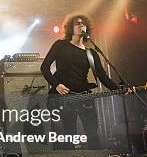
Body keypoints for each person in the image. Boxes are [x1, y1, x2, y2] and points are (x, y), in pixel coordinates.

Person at [40, 14, 120, 149]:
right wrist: (57, 85)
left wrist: (120, 89)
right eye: (77, 23)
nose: (81, 25)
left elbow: (103, 76)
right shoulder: (60, 45)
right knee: (69, 134)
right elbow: (44, 67)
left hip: (84, 96)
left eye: (83, 23)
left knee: (92, 133)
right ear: (70, 27)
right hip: (64, 97)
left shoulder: (91, 53)